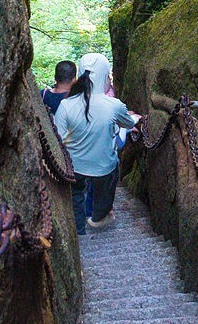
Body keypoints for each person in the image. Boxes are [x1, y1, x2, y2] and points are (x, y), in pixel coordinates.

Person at [55, 67, 140, 234]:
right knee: (104, 194)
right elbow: (128, 124)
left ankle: (78, 232)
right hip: (104, 166)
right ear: (103, 78)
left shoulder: (66, 104)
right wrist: (135, 119)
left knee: (76, 197)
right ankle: (97, 218)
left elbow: (59, 135)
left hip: (74, 165)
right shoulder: (114, 105)